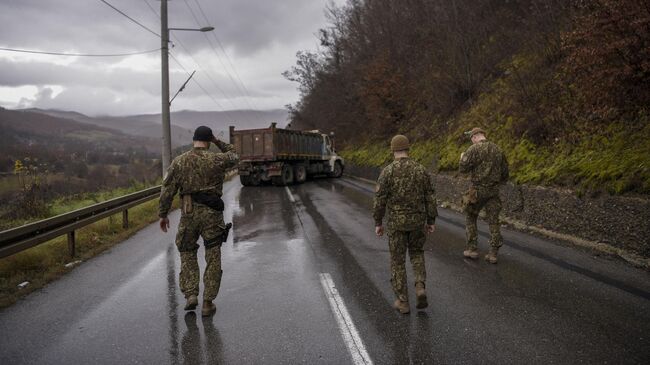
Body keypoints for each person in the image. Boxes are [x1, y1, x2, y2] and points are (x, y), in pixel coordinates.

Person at [158, 126, 239, 316]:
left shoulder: (179, 162)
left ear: (194, 139)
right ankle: (207, 303)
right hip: (212, 215)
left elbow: (167, 189)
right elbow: (234, 154)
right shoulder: (216, 159)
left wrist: (163, 214)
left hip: (189, 213)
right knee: (213, 253)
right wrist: (218, 141)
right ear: (209, 140)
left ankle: (191, 294)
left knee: (186, 250)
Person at [373, 135, 437, 314]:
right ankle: (419, 285)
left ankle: (403, 301)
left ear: (393, 150)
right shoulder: (420, 170)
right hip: (418, 222)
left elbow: (379, 201)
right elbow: (430, 197)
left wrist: (378, 222)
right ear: (408, 149)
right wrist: (431, 220)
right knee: (417, 253)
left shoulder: (387, 172)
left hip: (396, 225)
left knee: (397, 261)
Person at [459, 127, 509, 264]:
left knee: (470, 216)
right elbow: (505, 173)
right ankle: (493, 253)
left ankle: (472, 249)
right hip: (493, 191)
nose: (471, 141)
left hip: (477, 191)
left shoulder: (473, 149)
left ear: (475, 137)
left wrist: (462, 158)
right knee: (494, 221)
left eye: (471, 138)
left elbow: (463, 169)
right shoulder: (498, 149)